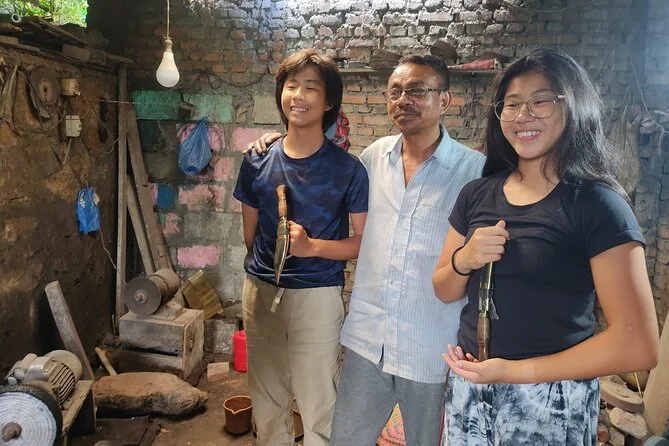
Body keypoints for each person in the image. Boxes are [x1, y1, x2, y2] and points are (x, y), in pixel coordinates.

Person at [247, 54, 485, 445]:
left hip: (430, 344)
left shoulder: (474, 171)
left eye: (417, 90)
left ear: (444, 100)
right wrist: (277, 138)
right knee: (345, 437)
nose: (403, 100)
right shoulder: (374, 158)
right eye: (395, 92)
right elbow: (316, 155)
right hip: (368, 340)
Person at [432, 48, 659, 445]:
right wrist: (463, 259)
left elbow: (638, 345)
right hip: (472, 389)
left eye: (541, 101)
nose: (523, 115)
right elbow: (444, 289)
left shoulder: (598, 205)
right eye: (512, 104)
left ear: (573, 107)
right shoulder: (477, 194)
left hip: (550, 398)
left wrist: (511, 372)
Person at [233, 48, 369, 446]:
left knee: (319, 406)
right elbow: (250, 234)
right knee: (267, 404)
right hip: (260, 292)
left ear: (328, 102)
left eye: (311, 87)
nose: (299, 95)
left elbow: (363, 243)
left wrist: (312, 248)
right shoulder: (256, 160)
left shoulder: (348, 170)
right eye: (291, 85)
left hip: (317, 297)